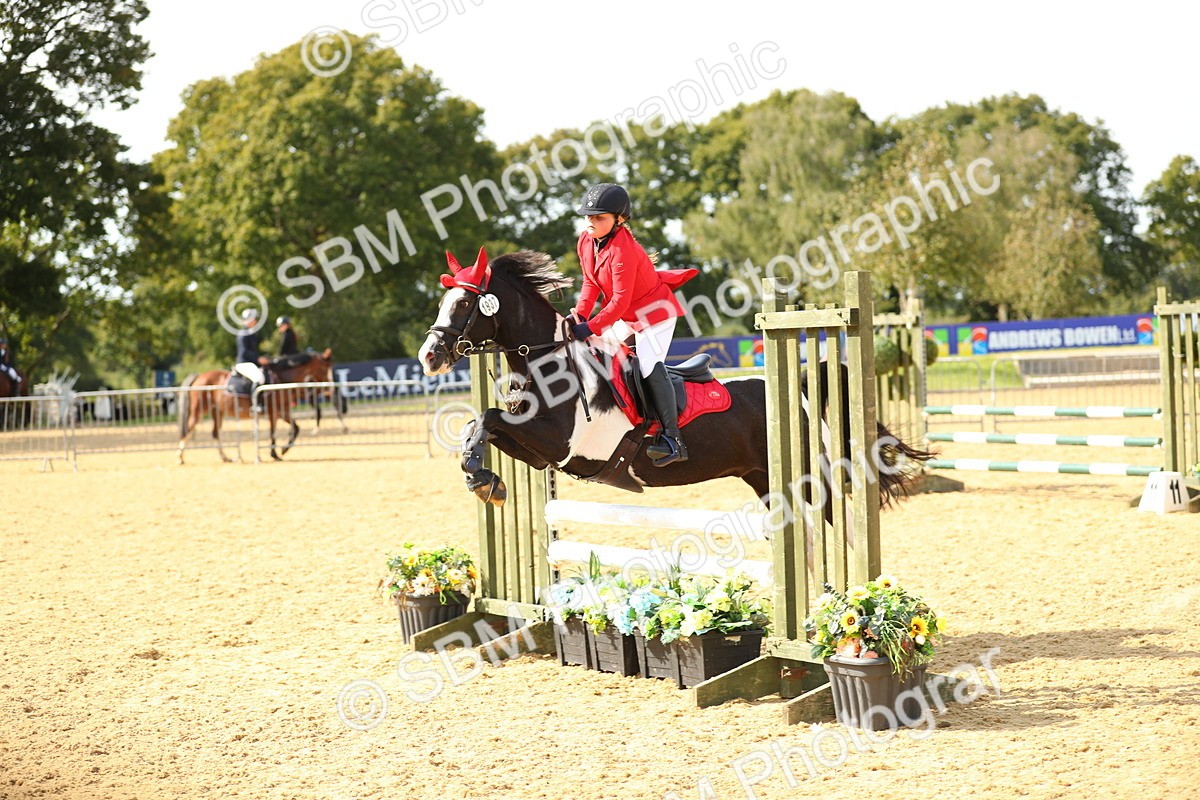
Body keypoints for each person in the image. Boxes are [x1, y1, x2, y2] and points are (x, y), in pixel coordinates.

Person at [568, 183, 697, 466]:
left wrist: (591, 327)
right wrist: (579, 315)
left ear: (619, 220)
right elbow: (590, 283)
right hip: (627, 316)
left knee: (649, 365)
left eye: (599, 217)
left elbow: (620, 303)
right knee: (602, 354)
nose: (591, 221)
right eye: (589, 215)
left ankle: (673, 439)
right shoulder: (586, 241)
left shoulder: (623, 250)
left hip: (655, 314)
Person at [232, 309, 269, 412]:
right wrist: (258, 359)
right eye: (255, 319)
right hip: (244, 363)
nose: (256, 321)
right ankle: (255, 405)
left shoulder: (251, 333)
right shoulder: (243, 333)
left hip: (251, 362)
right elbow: (244, 352)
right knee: (259, 378)